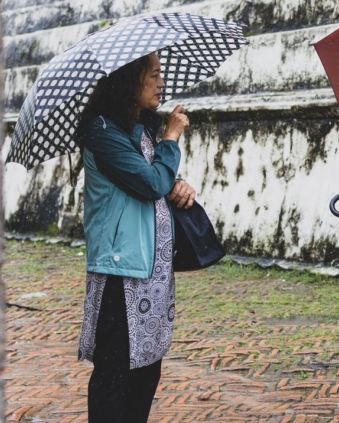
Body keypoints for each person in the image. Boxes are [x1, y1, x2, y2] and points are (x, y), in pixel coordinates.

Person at [75, 52, 198, 423]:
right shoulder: (102, 131)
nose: (161, 83)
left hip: (151, 274)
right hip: (120, 272)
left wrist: (177, 183)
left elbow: (155, 178)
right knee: (116, 372)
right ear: (128, 81)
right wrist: (172, 139)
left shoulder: (137, 129)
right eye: (153, 76)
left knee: (146, 370)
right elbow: (148, 183)